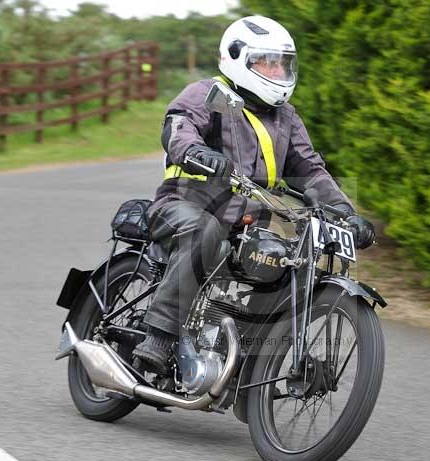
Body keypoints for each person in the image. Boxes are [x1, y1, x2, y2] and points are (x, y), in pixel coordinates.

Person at [133, 15, 375, 374]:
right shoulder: (208, 95)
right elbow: (178, 128)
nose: (277, 71)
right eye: (268, 62)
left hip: (246, 221)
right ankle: (159, 333)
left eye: (283, 64)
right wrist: (198, 153)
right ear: (238, 58)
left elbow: (310, 169)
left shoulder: (286, 117)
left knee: (285, 259)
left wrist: (344, 212)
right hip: (183, 206)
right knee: (204, 231)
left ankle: (248, 356)